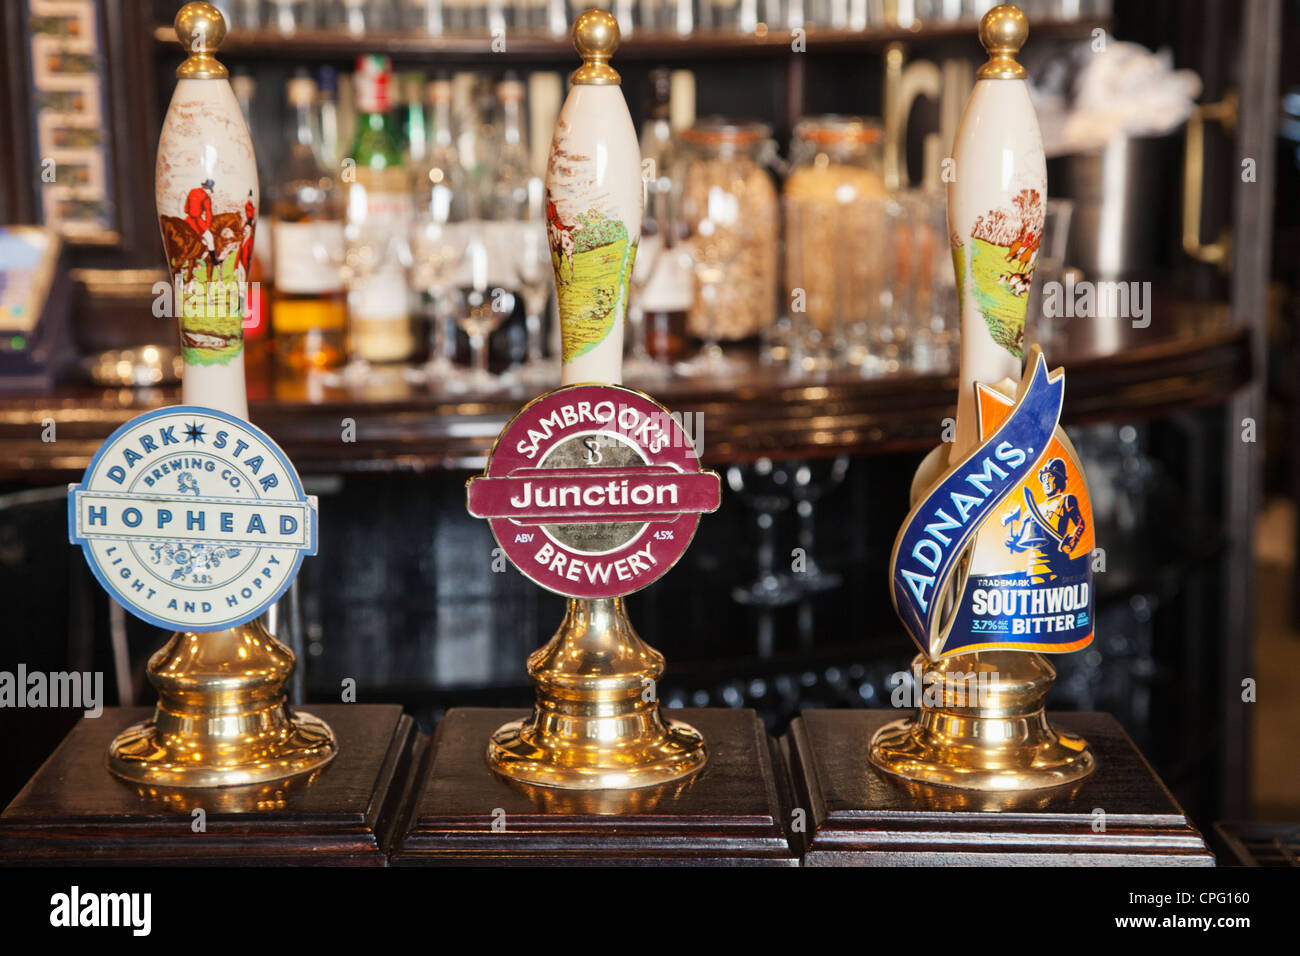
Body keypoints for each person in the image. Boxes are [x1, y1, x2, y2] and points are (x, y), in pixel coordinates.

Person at [185, 179, 216, 272]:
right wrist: (207, 226)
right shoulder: (206, 198)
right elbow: (208, 214)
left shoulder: (192, 191)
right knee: (210, 238)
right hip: (198, 222)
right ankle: (214, 260)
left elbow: (186, 208)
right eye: (210, 190)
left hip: (188, 220)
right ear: (208, 189)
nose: (210, 192)